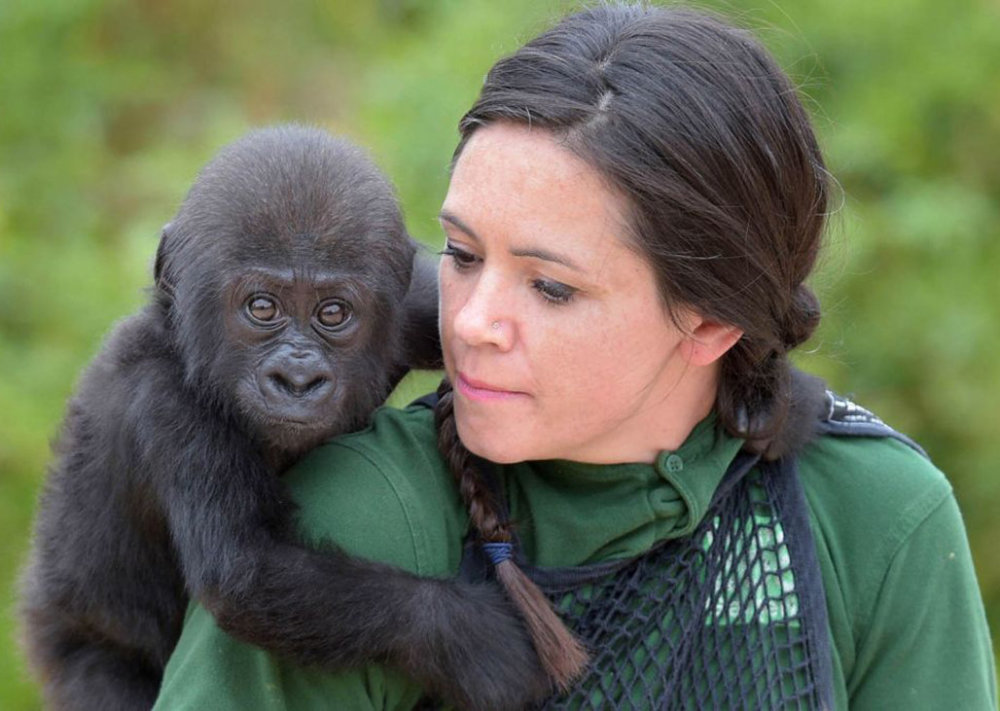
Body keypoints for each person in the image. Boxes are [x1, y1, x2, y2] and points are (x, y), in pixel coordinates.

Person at [154, 4, 996, 709]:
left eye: (550, 287)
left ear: (709, 323)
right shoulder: (360, 522)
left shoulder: (876, 514)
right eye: (462, 253)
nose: (473, 322)